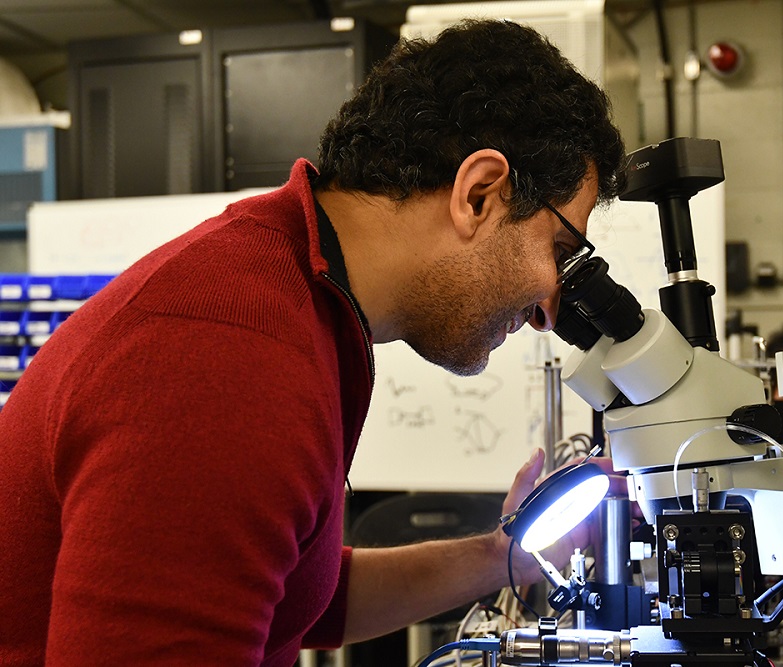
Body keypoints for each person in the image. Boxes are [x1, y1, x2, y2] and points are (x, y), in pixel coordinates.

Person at [0, 19, 627, 666]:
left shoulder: (299, 293)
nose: (551, 309)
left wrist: (505, 557)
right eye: (561, 251)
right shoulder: (234, 358)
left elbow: (300, 596)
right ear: (478, 194)